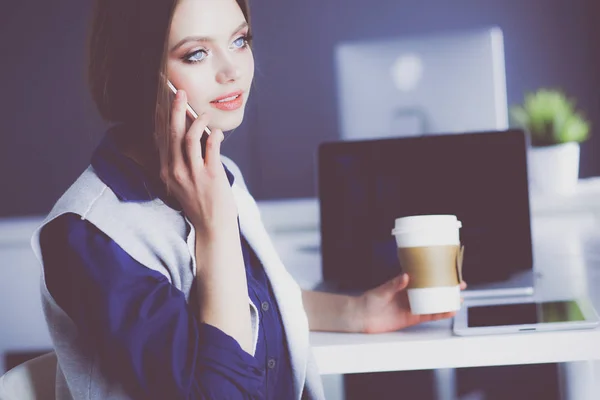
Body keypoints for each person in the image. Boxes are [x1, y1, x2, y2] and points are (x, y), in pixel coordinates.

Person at [30, 0, 463, 399]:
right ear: (139, 73)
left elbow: (254, 301)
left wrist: (358, 313)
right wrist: (213, 229)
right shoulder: (84, 236)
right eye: (196, 54)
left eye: (239, 41)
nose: (232, 71)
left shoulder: (220, 174)